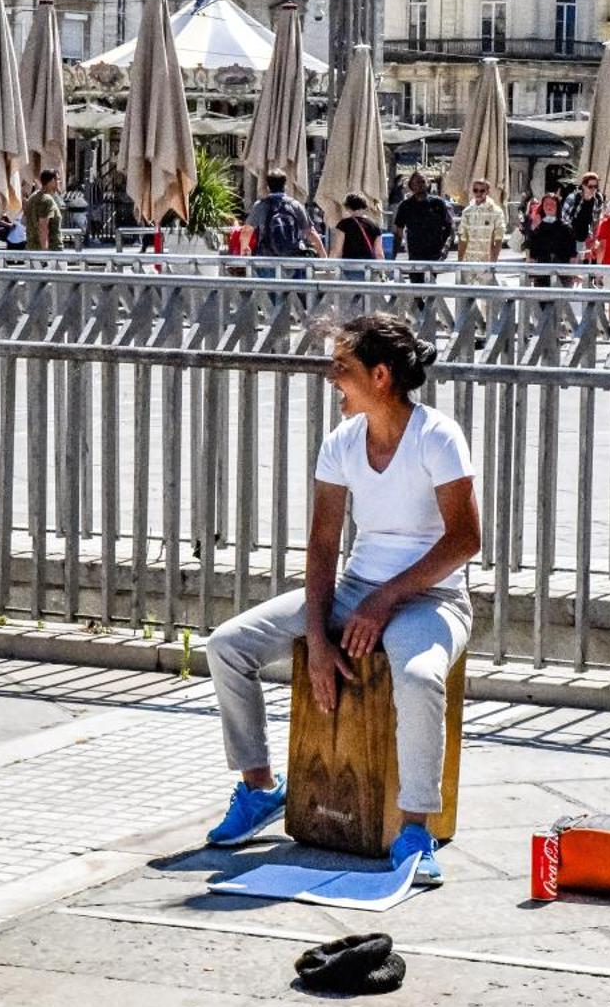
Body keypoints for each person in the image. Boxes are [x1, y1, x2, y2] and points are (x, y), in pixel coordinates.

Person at [203, 313, 479, 885]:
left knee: (421, 675)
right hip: (355, 590)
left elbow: (465, 539)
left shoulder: (437, 436)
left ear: (380, 376)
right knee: (228, 645)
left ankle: (415, 828)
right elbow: (323, 543)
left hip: (433, 599)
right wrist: (320, 637)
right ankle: (260, 789)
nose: (331, 377)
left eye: (342, 367)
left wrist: (385, 600)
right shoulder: (342, 441)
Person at [246, 169, 325, 270]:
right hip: (293, 260)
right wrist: (323, 255)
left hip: (267, 259)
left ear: (267, 187)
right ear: (285, 186)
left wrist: (244, 249)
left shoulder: (260, 205)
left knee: (266, 285)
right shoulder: (295, 205)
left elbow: (247, 230)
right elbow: (310, 232)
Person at [391, 171, 454, 282]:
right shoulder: (405, 206)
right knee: (416, 288)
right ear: (411, 186)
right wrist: (393, 256)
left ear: (428, 183)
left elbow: (449, 228)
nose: (420, 185)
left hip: (435, 253)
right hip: (415, 254)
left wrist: (444, 249)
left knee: (430, 287)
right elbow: (398, 231)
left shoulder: (438, 203)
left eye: (422, 181)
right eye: (416, 183)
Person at [523, 191, 578, 286]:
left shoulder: (566, 228)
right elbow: (531, 251)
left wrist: (573, 273)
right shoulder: (537, 227)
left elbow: (573, 254)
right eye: (546, 204)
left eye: (552, 204)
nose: (549, 207)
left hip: (562, 273)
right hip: (542, 274)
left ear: (557, 207)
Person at [455, 178, 506, 273]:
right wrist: (460, 261)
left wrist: (493, 262)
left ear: (487, 192)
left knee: (486, 288)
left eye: (482, 190)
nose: (478, 193)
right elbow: (463, 238)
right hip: (468, 263)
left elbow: (499, 239)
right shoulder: (467, 211)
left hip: (486, 263)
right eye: (475, 190)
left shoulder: (496, 212)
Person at [330, 192, 384, 275]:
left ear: (347, 207)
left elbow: (337, 250)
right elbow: (379, 253)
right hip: (369, 268)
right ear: (364, 207)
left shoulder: (343, 225)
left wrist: (330, 267)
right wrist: (381, 272)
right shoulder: (375, 225)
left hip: (349, 268)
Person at [562, 171, 603, 251]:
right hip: (570, 238)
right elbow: (563, 220)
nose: (593, 189)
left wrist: (594, 239)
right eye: (590, 186)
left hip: (586, 239)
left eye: (596, 186)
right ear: (583, 186)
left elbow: (596, 221)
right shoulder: (572, 198)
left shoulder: (598, 199)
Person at [25, 169, 63, 253]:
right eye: (58, 179)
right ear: (53, 181)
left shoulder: (33, 197)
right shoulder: (46, 199)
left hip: (31, 248)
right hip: (51, 252)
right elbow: (43, 228)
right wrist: (45, 254)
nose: (60, 182)